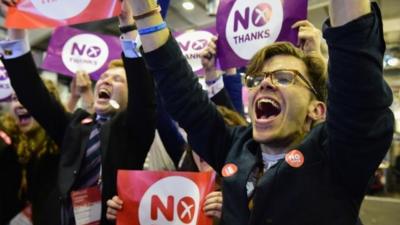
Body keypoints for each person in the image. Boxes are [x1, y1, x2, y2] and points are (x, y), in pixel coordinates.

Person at [125, 0, 394, 224]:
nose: (265, 82)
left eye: (285, 77)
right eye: (256, 79)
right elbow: (180, 90)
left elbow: (357, 78)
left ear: (317, 109)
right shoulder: (235, 147)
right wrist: (144, 9)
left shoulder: (336, 156)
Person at [0, 1, 156, 224]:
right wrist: (16, 24)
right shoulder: (75, 126)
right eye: (104, 77)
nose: (106, 80)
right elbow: (33, 94)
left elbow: (144, 94)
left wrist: (128, 26)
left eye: (118, 79)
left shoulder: (134, 129)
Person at [0, 83, 60, 225]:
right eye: (15, 98)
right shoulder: (7, 142)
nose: (20, 104)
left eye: (27, 98)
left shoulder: (59, 147)